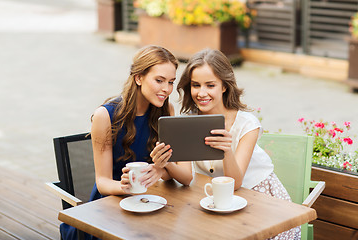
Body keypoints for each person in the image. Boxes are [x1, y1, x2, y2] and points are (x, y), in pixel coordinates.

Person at [60, 45, 192, 240]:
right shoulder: (105, 116)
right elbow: (102, 182)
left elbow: (186, 178)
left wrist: (160, 169)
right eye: (159, 80)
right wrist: (126, 186)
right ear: (138, 78)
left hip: (150, 202)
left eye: (171, 82)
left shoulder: (166, 110)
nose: (167, 89)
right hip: (110, 207)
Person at [177, 48, 300, 240]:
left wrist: (227, 150)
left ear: (224, 86)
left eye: (210, 85)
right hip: (214, 200)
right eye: (195, 85)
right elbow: (185, 177)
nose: (201, 93)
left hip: (259, 197)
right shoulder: (187, 123)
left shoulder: (247, 125)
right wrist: (164, 163)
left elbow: (235, 183)